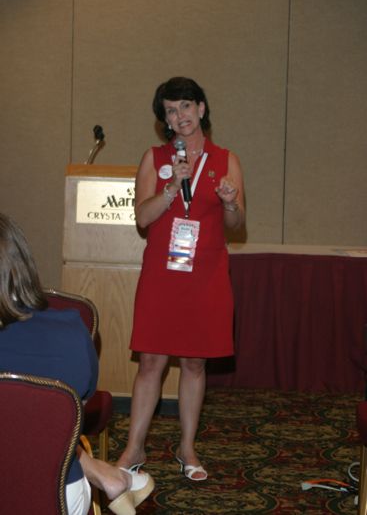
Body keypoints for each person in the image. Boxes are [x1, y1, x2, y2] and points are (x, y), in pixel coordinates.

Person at [117, 77, 245, 481]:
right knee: (151, 360)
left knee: (194, 361)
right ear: (165, 120)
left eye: (186, 107)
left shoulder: (227, 160)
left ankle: (187, 447)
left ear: (201, 109)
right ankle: (134, 446)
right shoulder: (154, 158)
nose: (180, 116)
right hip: (162, 272)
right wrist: (172, 186)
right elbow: (142, 217)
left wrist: (229, 203)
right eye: (171, 111)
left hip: (205, 273)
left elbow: (236, 224)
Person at [0, 212, 154, 515]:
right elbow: (68, 412)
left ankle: (98, 470)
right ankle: (100, 471)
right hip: (49, 494)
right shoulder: (70, 332)